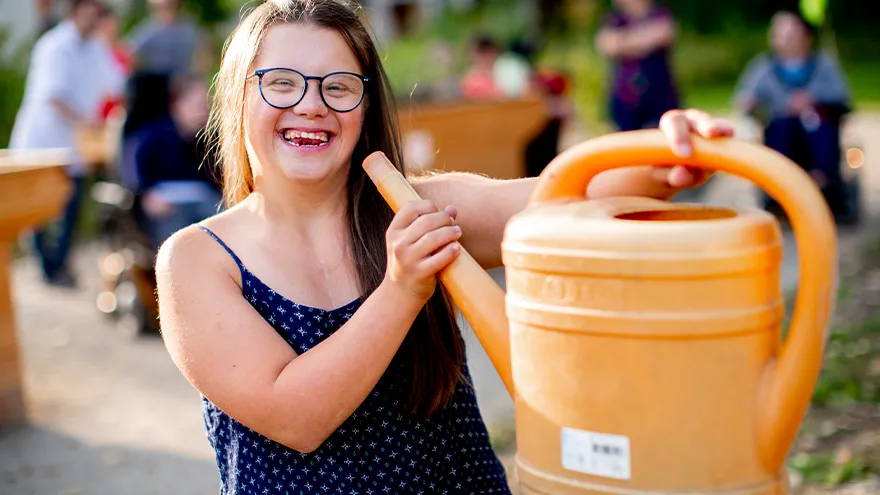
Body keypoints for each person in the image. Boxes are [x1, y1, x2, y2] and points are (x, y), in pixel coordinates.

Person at [155, 1, 734, 493]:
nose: (311, 104)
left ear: (367, 108)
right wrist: (402, 288)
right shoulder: (195, 260)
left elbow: (564, 199)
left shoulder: (416, 206)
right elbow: (297, 417)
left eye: (339, 87)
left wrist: (663, 158)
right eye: (281, 82)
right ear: (237, 96)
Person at [10, 0, 123, 288]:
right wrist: (87, 119)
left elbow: (116, 83)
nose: (95, 15)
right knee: (38, 207)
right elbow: (54, 96)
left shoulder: (96, 46)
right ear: (74, 11)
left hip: (76, 144)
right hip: (43, 141)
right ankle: (48, 266)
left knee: (70, 203)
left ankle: (58, 264)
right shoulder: (54, 46)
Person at [733, 10, 851, 214]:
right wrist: (750, 103)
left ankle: (820, 181)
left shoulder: (823, 65)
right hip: (781, 130)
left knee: (823, 134)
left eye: (790, 34)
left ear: (805, 37)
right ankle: (782, 186)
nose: (785, 40)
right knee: (780, 130)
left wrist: (812, 100)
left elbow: (841, 98)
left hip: (816, 129)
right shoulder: (763, 67)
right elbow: (744, 99)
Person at [132, 76, 222, 249]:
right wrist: (146, 195)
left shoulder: (212, 142)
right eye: (197, 105)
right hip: (167, 204)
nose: (203, 111)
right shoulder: (152, 138)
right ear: (178, 104)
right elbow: (137, 175)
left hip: (204, 201)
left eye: (205, 106)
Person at [596, 0, 680, 132]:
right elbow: (607, 45)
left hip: (660, 93)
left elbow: (664, 34)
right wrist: (646, 40)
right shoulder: (613, 19)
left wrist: (624, 42)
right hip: (625, 97)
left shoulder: (660, 13)